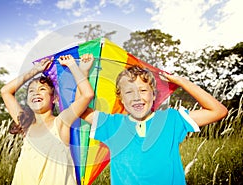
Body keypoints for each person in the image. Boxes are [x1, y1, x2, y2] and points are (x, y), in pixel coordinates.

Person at [78, 62, 228, 185]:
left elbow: (218, 111)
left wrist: (182, 81)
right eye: (129, 92)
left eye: (143, 90)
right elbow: (79, 108)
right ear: (121, 99)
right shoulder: (112, 125)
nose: (136, 96)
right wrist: (83, 72)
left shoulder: (171, 119)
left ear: (154, 94)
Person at [0, 54, 94, 185]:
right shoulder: (26, 126)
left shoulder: (61, 122)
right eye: (31, 91)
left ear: (55, 98)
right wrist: (35, 70)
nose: (36, 93)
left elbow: (87, 94)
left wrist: (75, 66)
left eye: (42, 89)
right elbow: (5, 91)